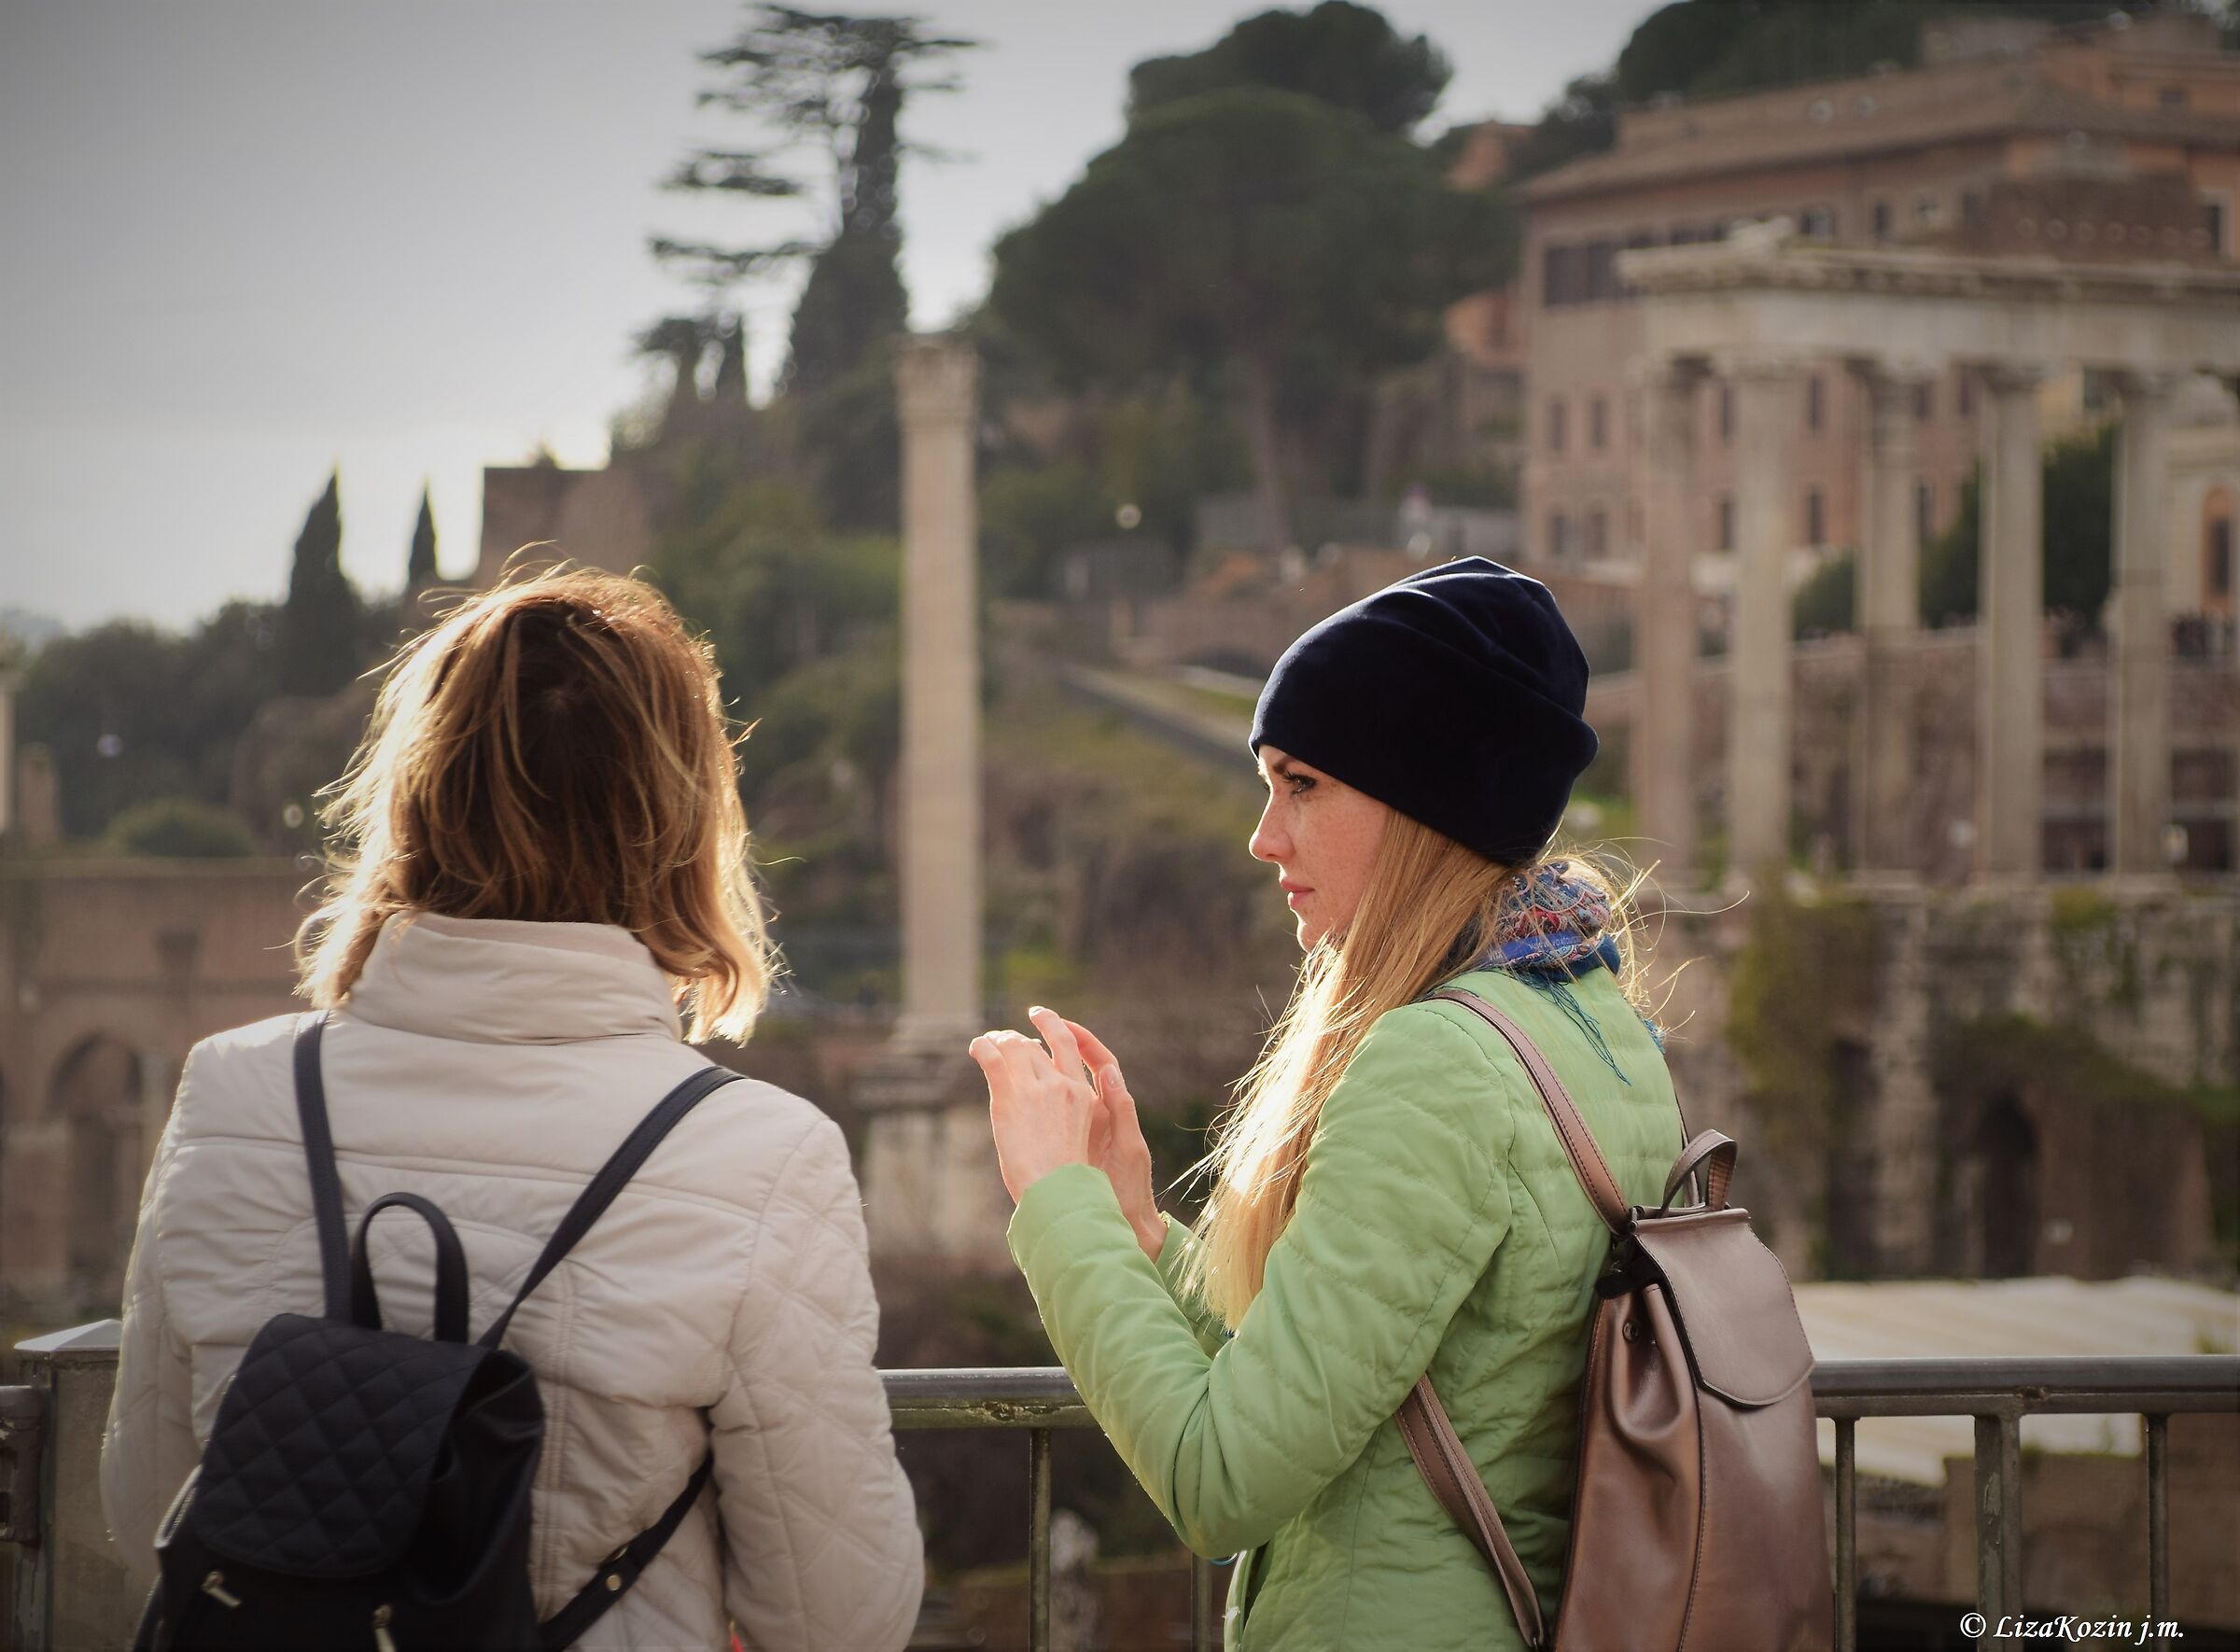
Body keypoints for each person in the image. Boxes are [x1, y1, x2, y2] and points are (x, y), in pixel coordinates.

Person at [102, 568, 924, 1652]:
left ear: (415, 796)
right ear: (681, 821)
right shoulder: (761, 1157)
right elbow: (839, 1618)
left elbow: (148, 1506)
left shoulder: (233, 1092)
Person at [972, 557, 1684, 1651]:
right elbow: (1350, 1386)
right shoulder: (1595, 1027)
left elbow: (1221, 1484)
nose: (1265, 836)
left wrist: (1055, 1199)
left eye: (1302, 784)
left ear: (1422, 800)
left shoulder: (1436, 1065)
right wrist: (1139, 1230)